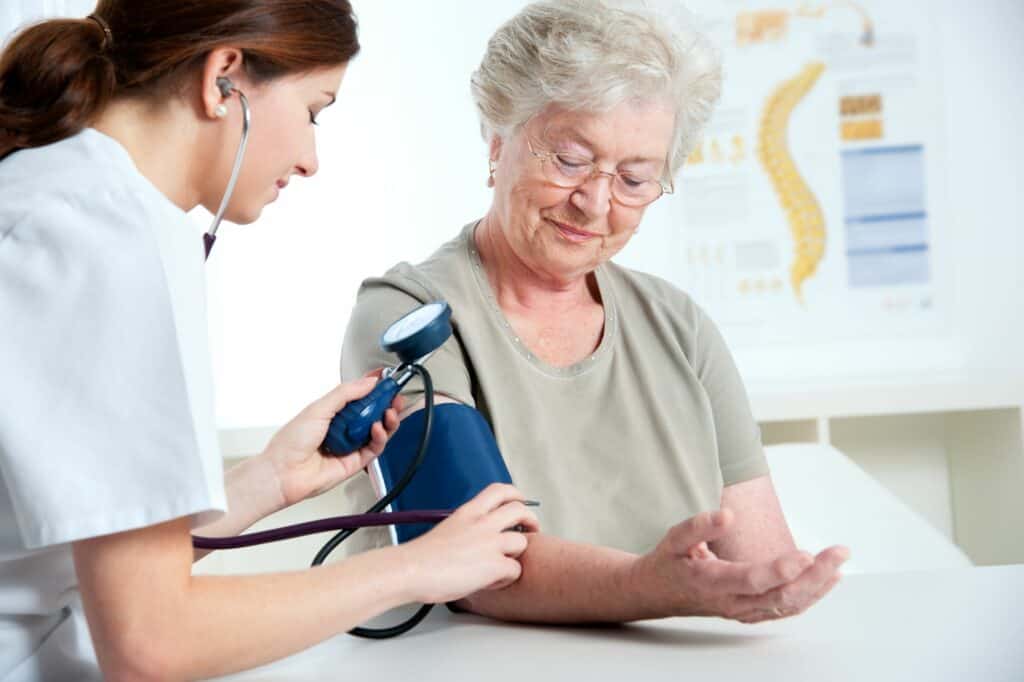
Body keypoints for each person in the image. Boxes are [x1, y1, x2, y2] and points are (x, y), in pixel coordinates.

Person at [0, 2, 537, 680]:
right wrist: (416, 567)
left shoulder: (53, 196)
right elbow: (150, 643)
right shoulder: (113, 238)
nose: (311, 160)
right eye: (315, 110)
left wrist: (267, 481)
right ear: (223, 76)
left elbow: (57, 564)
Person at [341, 0, 849, 627]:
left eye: (635, 179)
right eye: (571, 160)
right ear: (498, 138)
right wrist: (651, 585)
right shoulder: (410, 315)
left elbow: (761, 565)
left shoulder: (679, 327)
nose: (595, 203)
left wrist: (778, 586)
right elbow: (470, 564)